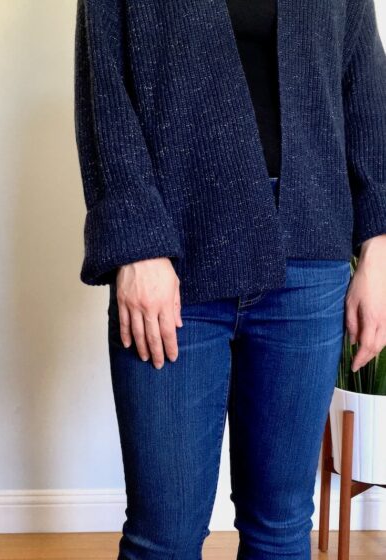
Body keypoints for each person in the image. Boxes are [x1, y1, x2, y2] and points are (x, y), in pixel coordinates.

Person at [74, 0, 386, 558]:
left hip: (309, 253)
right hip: (175, 256)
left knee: (282, 526)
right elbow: (105, 93)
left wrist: (379, 247)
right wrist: (137, 246)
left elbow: (365, 86)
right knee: (163, 536)